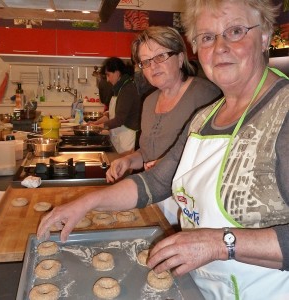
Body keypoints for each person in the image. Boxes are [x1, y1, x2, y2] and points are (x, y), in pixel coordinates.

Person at [37, 1, 289, 299]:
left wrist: (219, 243)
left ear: (264, 37)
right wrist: (87, 203)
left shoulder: (283, 112)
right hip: (199, 286)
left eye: (235, 31)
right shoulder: (205, 117)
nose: (220, 47)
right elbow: (156, 181)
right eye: (207, 37)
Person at [106, 26, 221, 224]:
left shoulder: (205, 95)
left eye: (160, 56)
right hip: (156, 197)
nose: (153, 66)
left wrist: (168, 164)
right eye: (146, 61)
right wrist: (128, 161)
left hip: (193, 206)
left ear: (180, 58)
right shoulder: (149, 101)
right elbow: (146, 152)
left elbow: (217, 158)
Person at [89, 57, 141, 155]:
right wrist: (96, 123)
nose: (107, 80)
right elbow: (112, 113)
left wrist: (99, 128)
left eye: (108, 75)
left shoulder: (127, 89)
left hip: (127, 138)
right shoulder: (119, 88)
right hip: (119, 136)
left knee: (125, 168)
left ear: (117, 73)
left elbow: (119, 119)